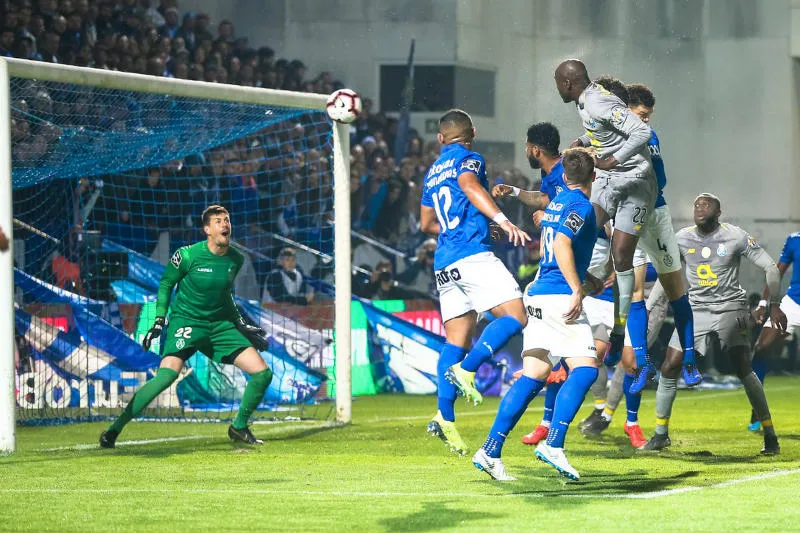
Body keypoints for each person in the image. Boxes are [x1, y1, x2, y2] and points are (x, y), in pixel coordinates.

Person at [555, 62, 697, 389]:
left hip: (654, 213)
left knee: (676, 290)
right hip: (626, 209)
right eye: (640, 113)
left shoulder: (644, 136)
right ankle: (629, 350)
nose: (644, 120)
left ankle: (689, 356)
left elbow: (657, 178)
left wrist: (612, 163)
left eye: (647, 115)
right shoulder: (602, 121)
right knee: (624, 282)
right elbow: (592, 145)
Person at [471, 149, 597, 481]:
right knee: (585, 369)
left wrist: (587, 280)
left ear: (565, 177)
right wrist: (576, 289)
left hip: (538, 293)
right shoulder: (581, 206)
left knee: (534, 376)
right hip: (558, 295)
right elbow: (562, 245)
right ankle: (554, 444)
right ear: (594, 177)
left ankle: (490, 450)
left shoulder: (556, 202)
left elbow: (554, 238)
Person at [100, 205, 272, 448]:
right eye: (219, 221)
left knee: (262, 373)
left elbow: (224, 296)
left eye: (227, 220)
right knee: (166, 376)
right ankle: (114, 429)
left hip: (219, 325)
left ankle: (239, 427)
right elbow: (166, 284)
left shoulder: (236, 258)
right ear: (207, 229)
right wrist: (160, 319)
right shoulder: (187, 255)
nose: (225, 224)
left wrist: (239, 323)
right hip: (186, 322)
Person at [420, 109, 530, 456]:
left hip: (444, 262)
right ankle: (468, 371)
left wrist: (470, 226)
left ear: (441, 139)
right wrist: (500, 218)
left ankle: (445, 417)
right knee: (517, 315)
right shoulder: (471, 159)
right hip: (471, 255)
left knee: (456, 339)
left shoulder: (431, 173)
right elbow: (468, 185)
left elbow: (426, 223)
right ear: (473, 133)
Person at [640, 194, 785, 455]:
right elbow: (668, 275)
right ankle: (661, 434)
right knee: (669, 365)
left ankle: (770, 435)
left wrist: (772, 304)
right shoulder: (682, 238)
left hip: (731, 308)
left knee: (742, 367)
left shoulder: (736, 236)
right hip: (695, 310)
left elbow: (771, 267)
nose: (700, 207)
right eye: (697, 204)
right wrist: (648, 307)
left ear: (719, 212)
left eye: (707, 204)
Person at [749, 231, 800, 429]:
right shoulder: (794, 239)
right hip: (793, 303)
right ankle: (758, 410)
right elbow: (777, 271)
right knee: (761, 348)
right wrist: (764, 302)